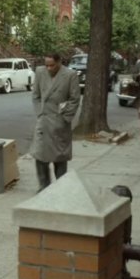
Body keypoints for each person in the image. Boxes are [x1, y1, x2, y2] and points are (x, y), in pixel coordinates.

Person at [30, 53, 81, 192]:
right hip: (44, 121)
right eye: (47, 65)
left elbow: (75, 99)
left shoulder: (70, 75)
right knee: (39, 154)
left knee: (59, 157)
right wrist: (39, 113)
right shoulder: (40, 72)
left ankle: (60, 188)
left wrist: (64, 118)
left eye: (52, 65)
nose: (49, 68)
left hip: (59, 122)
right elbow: (35, 96)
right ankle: (43, 186)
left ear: (59, 62)